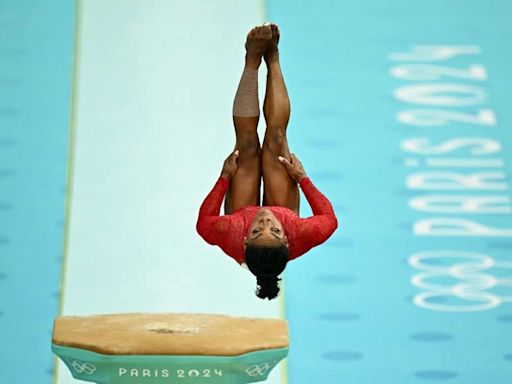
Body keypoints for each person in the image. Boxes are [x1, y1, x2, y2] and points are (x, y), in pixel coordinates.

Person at [197, 23, 338, 300]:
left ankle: (251, 60)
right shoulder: (302, 234)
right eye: (273, 229)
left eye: (257, 229)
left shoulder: (229, 233)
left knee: (247, 146)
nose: (264, 219)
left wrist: (223, 179)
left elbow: (204, 222)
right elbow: (329, 219)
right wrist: (302, 178)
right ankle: (273, 56)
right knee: (276, 139)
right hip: (284, 208)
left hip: (240, 210)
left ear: (246, 238)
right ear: (286, 238)